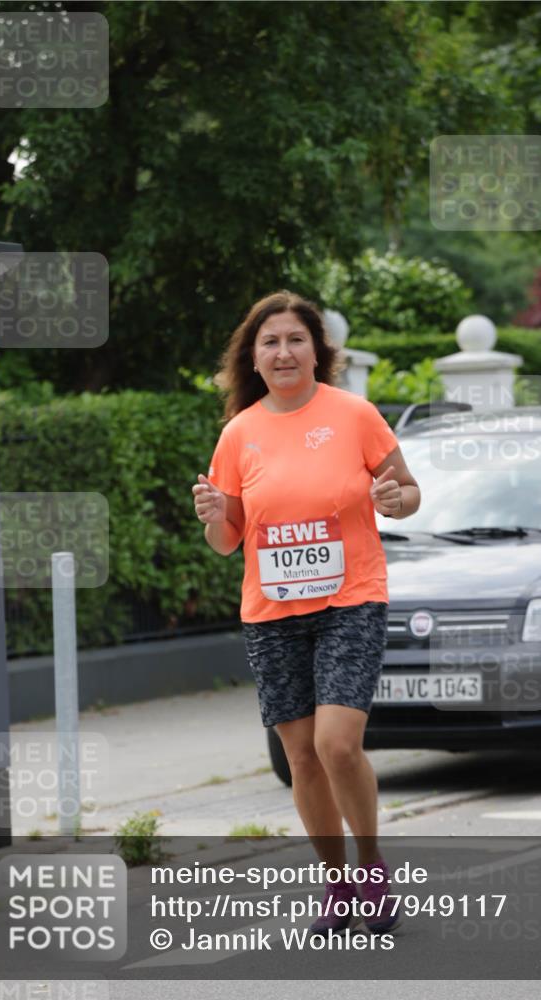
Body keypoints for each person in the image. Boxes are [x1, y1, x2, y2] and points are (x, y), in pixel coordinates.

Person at [192, 291, 420, 935]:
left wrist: (392, 497)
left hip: (352, 598)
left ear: (316, 351)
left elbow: (407, 493)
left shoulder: (354, 415)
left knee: (336, 743)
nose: (284, 351)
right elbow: (227, 538)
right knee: (301, 756)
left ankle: (371, 869)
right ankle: (338, 884)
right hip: (271, 610)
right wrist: (215, 517)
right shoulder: (239, 432)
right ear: (254, 358)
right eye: (271, 342)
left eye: (295, 339)